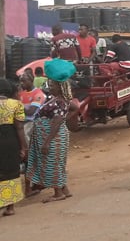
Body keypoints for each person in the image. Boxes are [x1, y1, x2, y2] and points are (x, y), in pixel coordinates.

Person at [26, 58, 76, 203]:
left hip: (52, 137)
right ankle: (64, 189)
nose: (50, 86)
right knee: (58, 163)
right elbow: (74, 109)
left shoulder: (59, 101)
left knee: (52, 163)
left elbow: (58, 120)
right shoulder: (60, 99)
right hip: (55, 134)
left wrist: (47, 141)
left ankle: (58, 193)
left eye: (53, 84)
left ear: (60, 87)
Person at [0, 79, 27, 217]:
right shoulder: (15, 104)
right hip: (10, 141)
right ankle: (10, 207)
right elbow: (19, 127)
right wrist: (23, 147)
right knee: (10, 171)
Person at [18, 73, 47, 197]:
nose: (22, 83)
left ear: (31, 80)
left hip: (32, 126)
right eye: (20, 81)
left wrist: (16, 105)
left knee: (29, 155)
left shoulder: (38, 94)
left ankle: (35, 183)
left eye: (24, 81)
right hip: (23, 124)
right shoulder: (21, 94)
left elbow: (31, 111)